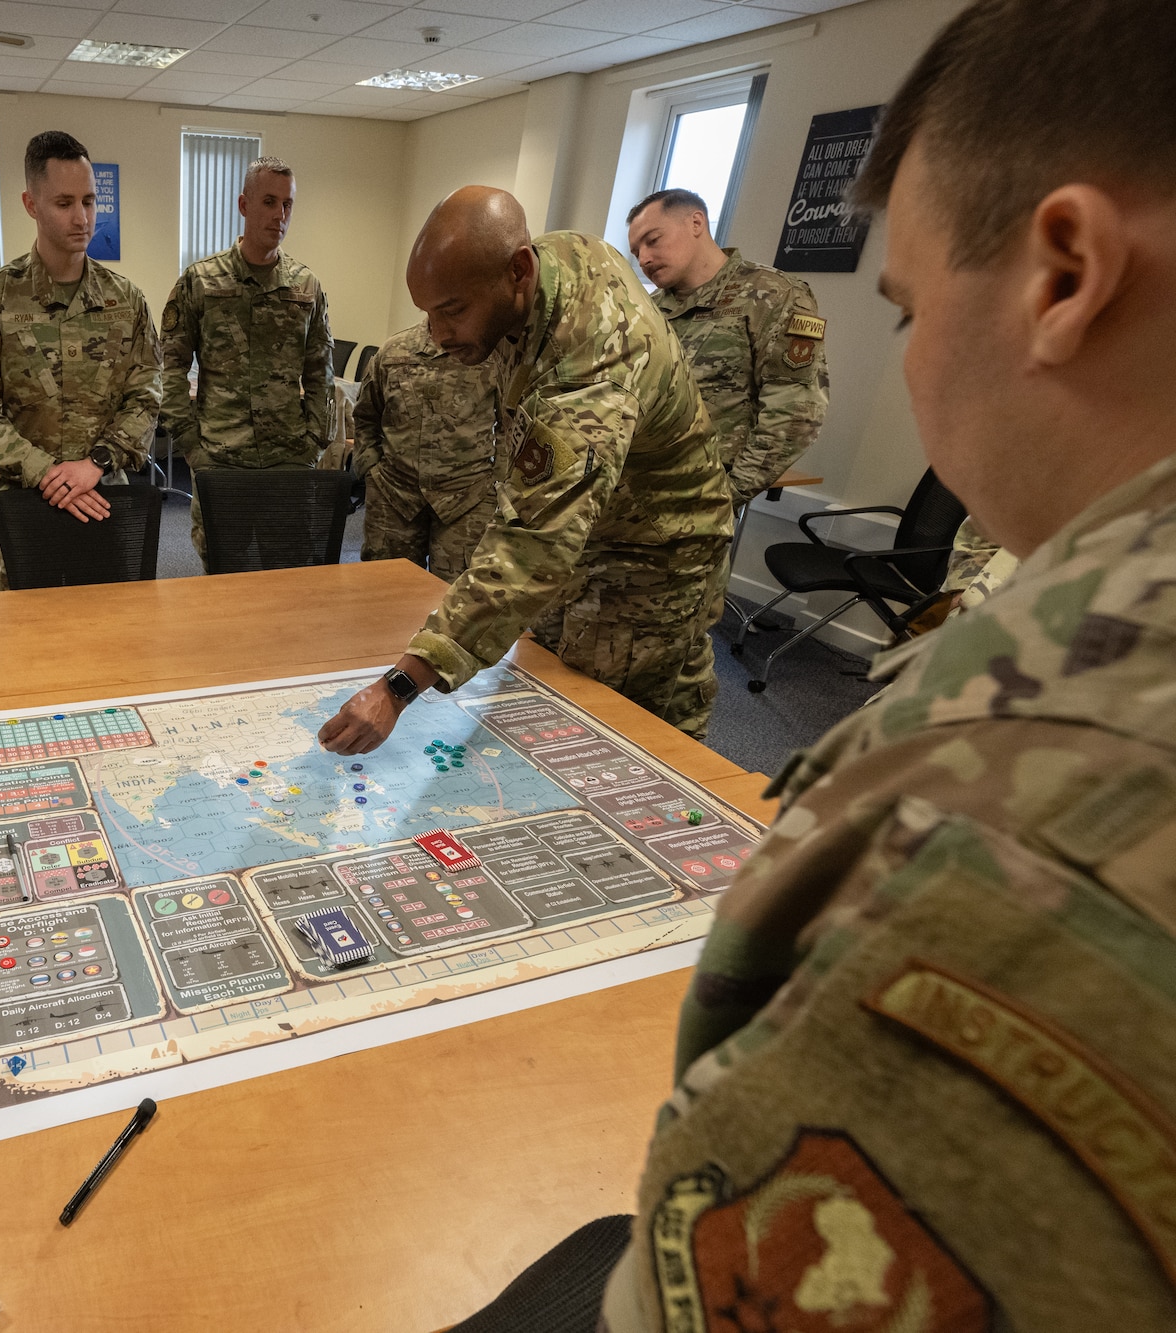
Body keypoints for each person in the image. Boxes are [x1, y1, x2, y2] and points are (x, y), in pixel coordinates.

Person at [457, 2, 1176, 1328]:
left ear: (1065, 272)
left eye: (906, 308)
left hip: (671, 551)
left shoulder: (1025, 787)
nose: (906, 357)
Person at [318, 191, 734, 751]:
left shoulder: (587, 365)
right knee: (571, 683)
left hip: (651, 553)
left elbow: (533, 547)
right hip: (598, 529)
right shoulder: (552, 261)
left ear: (517, 271)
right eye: (429, 313)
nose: (437, 336)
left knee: (613, 730)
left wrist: (397, 688)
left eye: (453, 310)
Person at [0, 130, 160, 586]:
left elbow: (145, 399)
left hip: (105, 498)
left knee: (111, 635)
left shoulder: (126, 301)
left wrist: (97, 463)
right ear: (31, 204)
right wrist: (46, 473)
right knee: (29, 639)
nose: (82, 217)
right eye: (64, 203)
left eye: (88, 201)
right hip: (26, 503)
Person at [158, 156, 334, 562]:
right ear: (243, 205)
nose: (280, 215)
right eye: (269, 202)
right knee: (224, 577)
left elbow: (321, 372)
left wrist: (313, 443)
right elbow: (169, 367)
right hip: (221, 458)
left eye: (288, 204)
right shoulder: (201, 281)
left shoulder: (305, 286)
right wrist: (192, 448)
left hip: (288, 459)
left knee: (288, 578)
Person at [628, 188, 830, 508]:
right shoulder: (645, 310)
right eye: (636, 251)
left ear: (696, 223)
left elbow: (794, 412)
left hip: (699, 499)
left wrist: (728, 495)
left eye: (652, 240)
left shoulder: (774, 296)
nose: (644, 259)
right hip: (630, 492)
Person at [353, 320, 499, 580]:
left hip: (467, 498)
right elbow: (365, 415)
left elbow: (511, 424)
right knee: (384, 594)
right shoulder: (394, 351)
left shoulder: (489, 353)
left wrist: (499, 481)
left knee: (459, 602)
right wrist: (370, 470)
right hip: (394, 495)